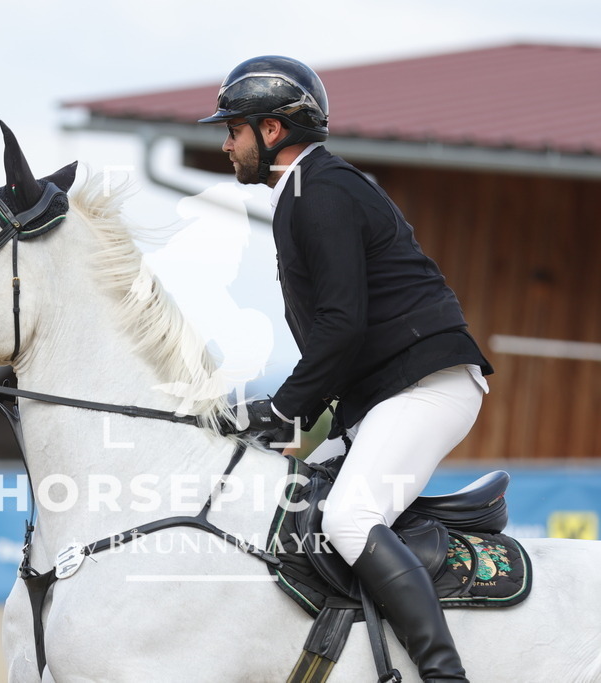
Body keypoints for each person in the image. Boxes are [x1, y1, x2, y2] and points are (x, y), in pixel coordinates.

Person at [199, 55, 492, 682]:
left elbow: (341, 326)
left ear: (271, 131)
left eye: (233, 129)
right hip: (388, 393)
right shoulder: (307, 191)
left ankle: (444, 675)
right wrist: (289, 429)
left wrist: (281, 410)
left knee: (348, 517)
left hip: (428, 387)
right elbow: (343, 341)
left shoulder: (320, 191)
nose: (226, 144)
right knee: (282, 491)